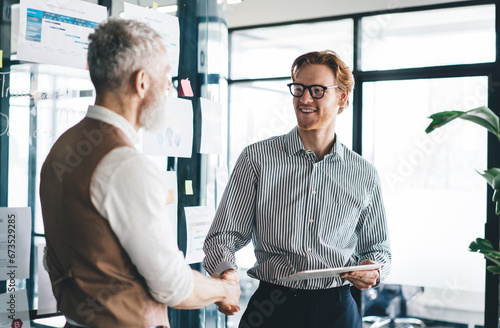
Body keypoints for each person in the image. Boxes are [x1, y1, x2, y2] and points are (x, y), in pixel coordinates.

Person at [39, 18, 240, 328]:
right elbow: (173, 285)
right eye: (166, 78)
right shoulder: (125, 165)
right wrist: (224, 289)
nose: (170, 89)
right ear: (142, 82)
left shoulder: (61, 148)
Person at [203, 50, 391, 328]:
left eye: (317, 91)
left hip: (337, 310)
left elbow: (379, 249)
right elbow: (223, 236)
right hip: (272, 309)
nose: (304, 99)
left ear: (342, 97)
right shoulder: (258, 158)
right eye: (299, 89)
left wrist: (373, 270)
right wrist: (227, 273)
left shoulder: (364, 173)